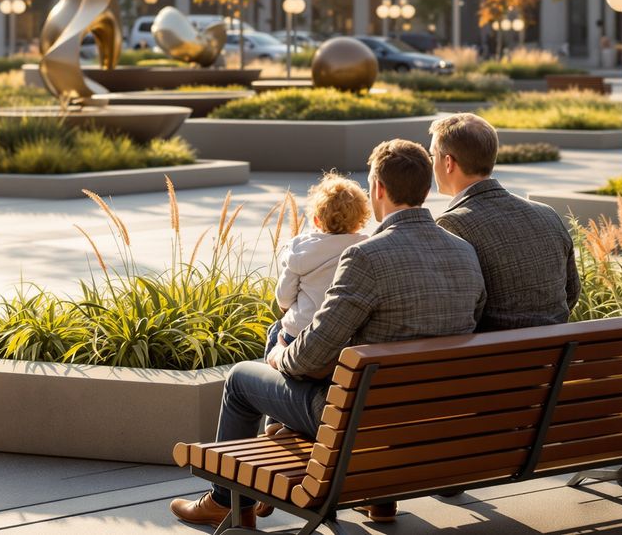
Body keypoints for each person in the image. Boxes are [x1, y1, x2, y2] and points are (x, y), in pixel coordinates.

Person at [169, 140, 486, 530]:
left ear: (379, 190)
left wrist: (276, 358)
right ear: (426, 187)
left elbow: (309, 356)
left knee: (239, 379)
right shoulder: (463, 251)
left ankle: (228, 502)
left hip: (356, 421)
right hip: (432, 418)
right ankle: (380, 502)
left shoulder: (368, 257)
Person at [430, 114, 579, 331]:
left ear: (448, 162)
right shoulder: (546, 214)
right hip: (555, 359)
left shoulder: (452, 224)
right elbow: (571, 292)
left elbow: (455, 310)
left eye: (432, 155)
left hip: (490, 359)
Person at [264, 172, 370, 359]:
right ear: (360, 221)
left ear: (316, 220)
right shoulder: (364, 247)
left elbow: (284, 299)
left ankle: (272, 381)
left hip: (299, 333)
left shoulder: (301, 249)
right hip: (342, 338)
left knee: (276, 331)